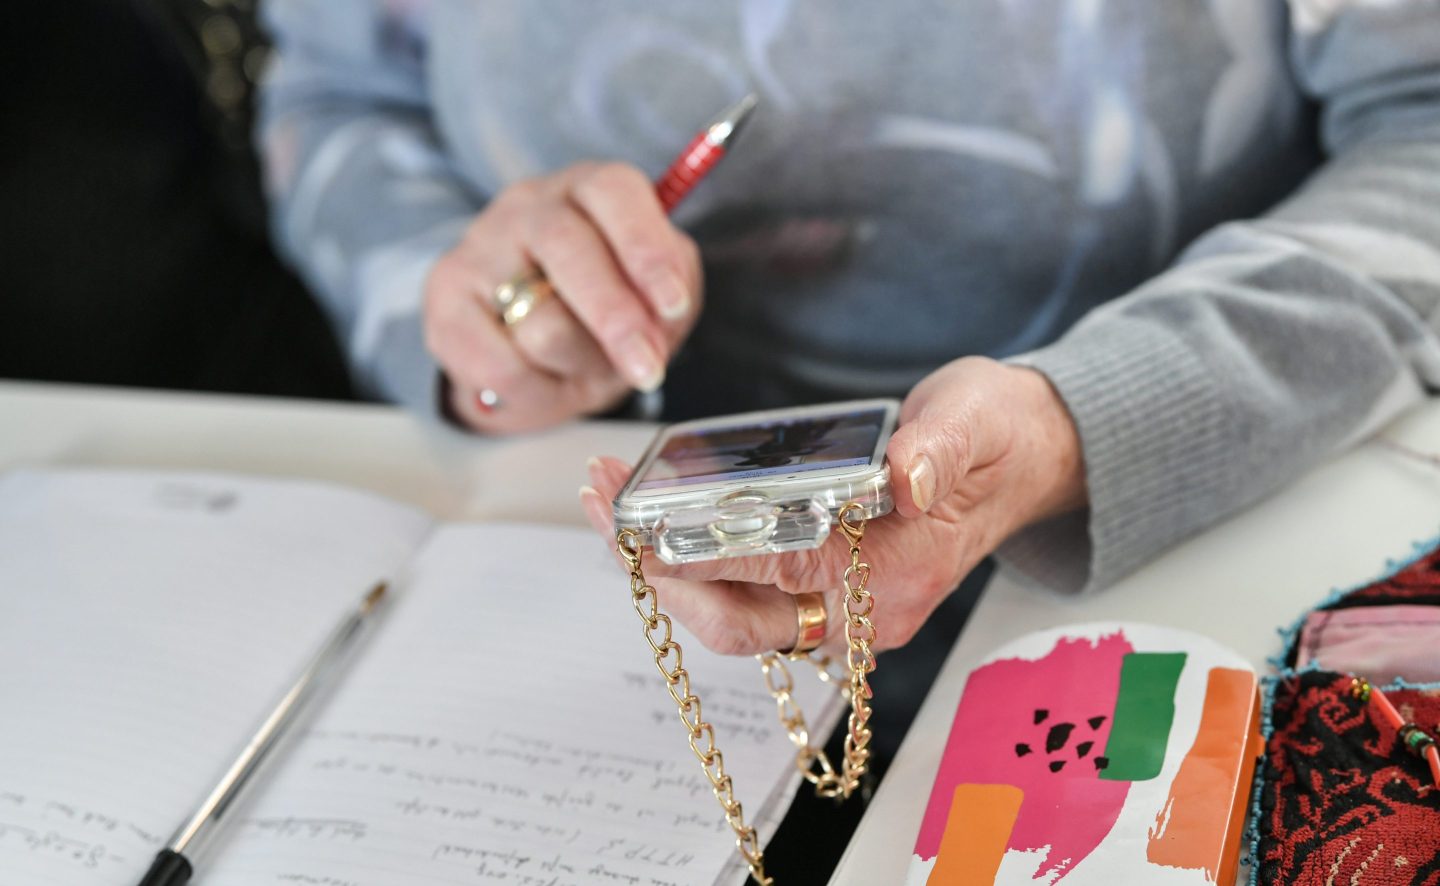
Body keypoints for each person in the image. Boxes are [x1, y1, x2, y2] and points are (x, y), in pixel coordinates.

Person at [257, 2, 1440, 659]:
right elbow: (337, 94)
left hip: (1196, 553)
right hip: (563, 589)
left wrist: (1079, 424)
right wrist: (475, 329)